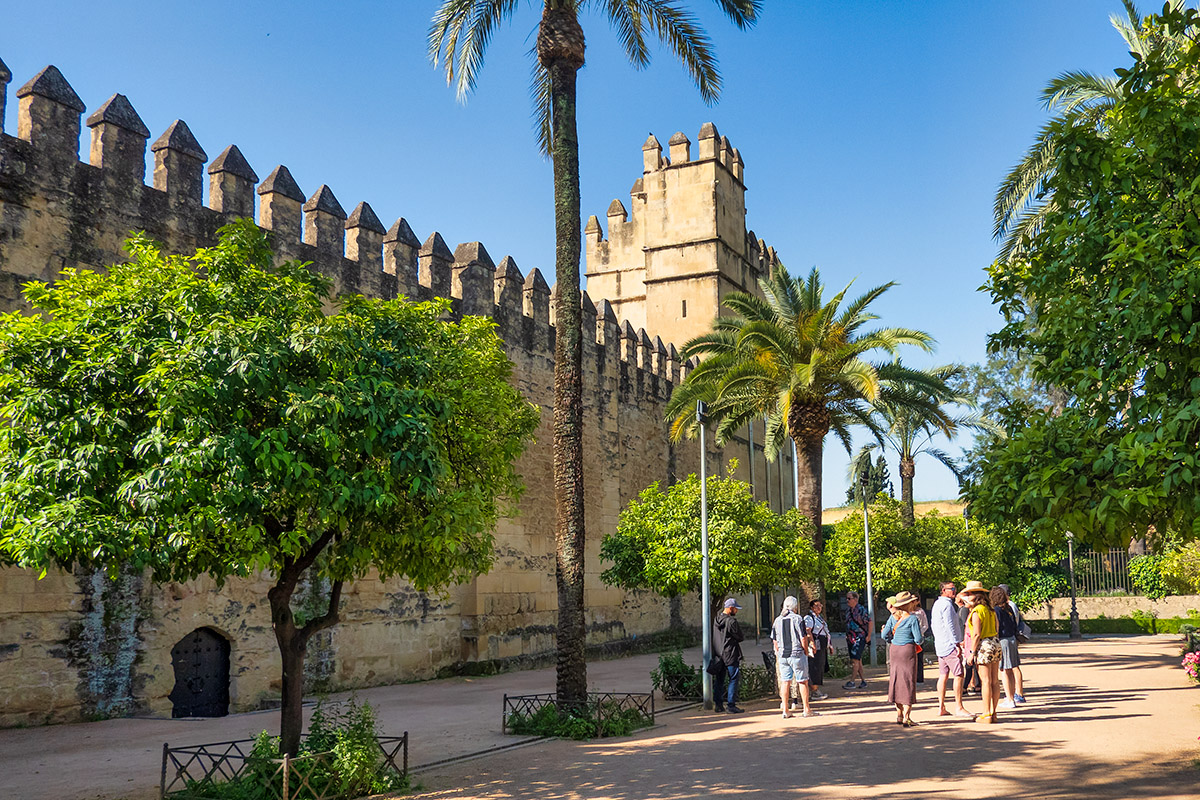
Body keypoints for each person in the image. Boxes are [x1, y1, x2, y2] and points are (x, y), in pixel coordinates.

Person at [961, 581, 1001, 723]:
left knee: (985, 681)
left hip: (984, 644)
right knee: (995, 681)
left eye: (968, 594)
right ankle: (994, 712)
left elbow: (976, 634)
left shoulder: (977, 611)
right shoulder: (990, 610)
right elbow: (996, 627)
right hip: (995, 642)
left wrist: (971, 652)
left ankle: (986, 712)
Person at [881, 591, 923, 726]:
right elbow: (918, 639)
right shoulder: (912, 619)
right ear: (909, 604)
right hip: (907, 649)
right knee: (908, 679)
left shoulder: (893, 618)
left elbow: (883, 635)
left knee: (896, 679)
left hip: (895, 649)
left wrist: (892, 639)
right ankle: (907, 717)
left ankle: (898, 715)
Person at [931, 581, 971, 717]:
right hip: (949, 645)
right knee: (959, 674)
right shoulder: (947, 605)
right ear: (943, 590)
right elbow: (950, 625)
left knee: (943, 675)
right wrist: (957, 642)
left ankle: (941, 706)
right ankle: (959, 706)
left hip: (941, 645)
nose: (954, 591)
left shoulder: (937, 604)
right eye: (951, 589)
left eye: (954, 588)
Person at [771, 596, 816, 718]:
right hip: (796, 654)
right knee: (802, 681)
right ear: (795, 607)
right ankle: (806, 709)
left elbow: (774, 640)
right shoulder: (797, 619)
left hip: (783, 655)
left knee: (785, 682)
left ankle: (785, 710)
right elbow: (802, 637)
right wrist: (806, 650)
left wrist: (779, 651)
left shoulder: (777, 620)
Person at [992, 585, 1026, 708]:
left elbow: (997, 627)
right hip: (1011, 639)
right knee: (1010, 669)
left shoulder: (997, 610)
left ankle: (1009, 699)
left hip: (1003, 640)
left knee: (1005, 670)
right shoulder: (1009, 608)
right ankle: (1011, 696)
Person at [713, 597, 746, 713]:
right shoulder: (731, 622)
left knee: (719, 680)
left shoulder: (716, 619)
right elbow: (740, 637)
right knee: (733, 678)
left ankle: (718, 704)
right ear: (731, 608)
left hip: (719, 654)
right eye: (736, 609)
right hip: (730, 654)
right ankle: (731, 705)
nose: (736, 611)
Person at [843, 590, 872, 689]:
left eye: (849, 598)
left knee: (855, 659)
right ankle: (863, 681)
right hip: (851, 638)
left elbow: (870, 622)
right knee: (858, 660)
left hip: (859, 637)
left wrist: (869, 635)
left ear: (855, 599)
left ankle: (852, 681)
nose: (847, 600)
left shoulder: (861, 610)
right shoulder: (848, 610)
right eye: (847, 598)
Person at [804, 598, 831, 700]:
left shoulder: (820, 618)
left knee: (820, 665)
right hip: (816, 644)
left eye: (820, 606)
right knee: (814, 666)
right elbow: (808, 631)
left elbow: (826, 632)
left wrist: (830, 645)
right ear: (811, 607)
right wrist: (812, 643)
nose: (819, 608)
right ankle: (814, 690)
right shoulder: (809, 618)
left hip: (822, 645)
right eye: (816, 606)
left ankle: (816, 689)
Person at [957, 594, 980, 695]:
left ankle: (965, 686)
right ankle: (974, 685)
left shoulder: (969, 611)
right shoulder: (968, 611)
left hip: (970, 641)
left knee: (969, 664)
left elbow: (973, 631)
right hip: (968, 640)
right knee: (971, 664)